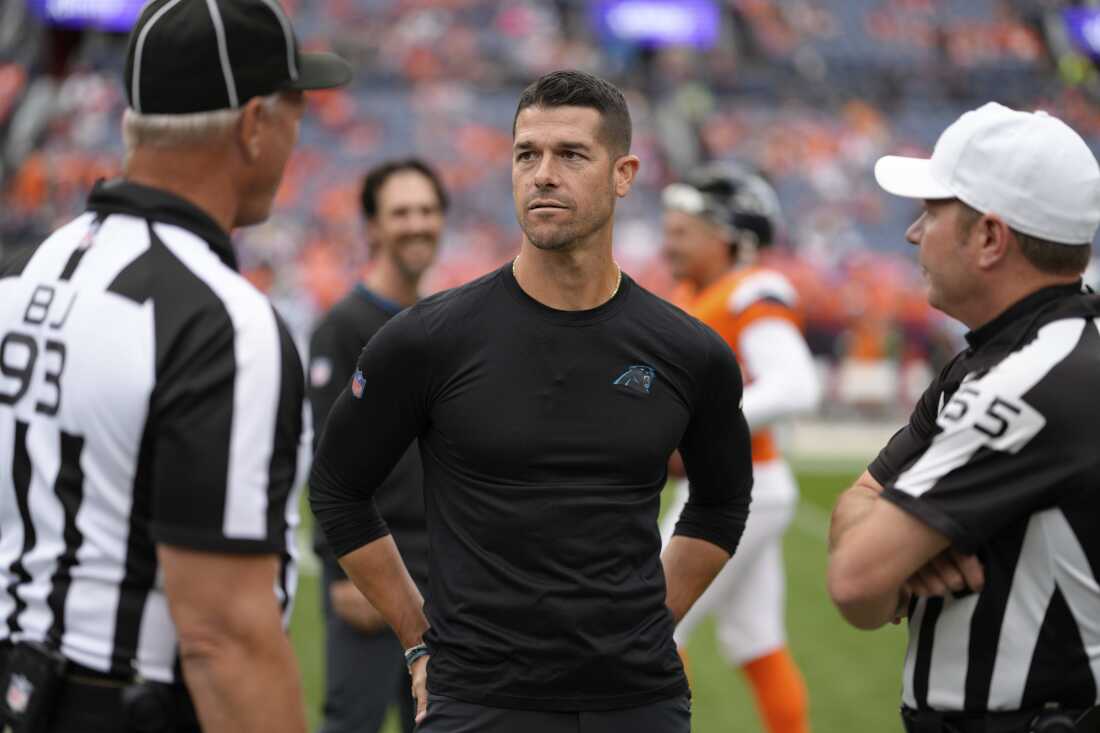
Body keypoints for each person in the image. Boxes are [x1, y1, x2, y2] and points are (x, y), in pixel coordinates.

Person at [309, 69, 753, 733]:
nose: (543, 173)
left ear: (624, 173)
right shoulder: (428, 339)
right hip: (478, 703)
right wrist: (417, 637)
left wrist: (653, 624)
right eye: (527, 154)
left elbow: (721, 501)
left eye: (571, 154)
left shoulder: (689, 351)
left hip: (638, 703)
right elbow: (338, 488)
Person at [0, 1, 350, 731]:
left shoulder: (55, 256)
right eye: (294, 109)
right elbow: (225, 637)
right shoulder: (221, 321)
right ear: (254, 125)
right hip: (128, 702)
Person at [827, 102, 1100, 733]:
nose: (913, 233)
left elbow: (854, 582)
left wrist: (886, 550)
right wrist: (890, 542)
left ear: (989, 238)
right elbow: (861, 501)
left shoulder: (1033, 383)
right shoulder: (991, 359)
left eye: (934, 212)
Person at [660, 163, 819, 733]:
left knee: (645, 631)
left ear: (726, 235)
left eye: (683, 231)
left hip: (735, 489)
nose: (668, 241)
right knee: (757, 641)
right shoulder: (693, 294)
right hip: (744, 490)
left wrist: (702, 429)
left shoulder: (753, 288)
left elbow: (796, 383)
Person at [309, 159, 448, 733]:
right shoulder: (342, 328)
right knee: (354, 722)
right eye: (401, 212)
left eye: (427, 211)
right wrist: (340, 574)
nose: (417, 224)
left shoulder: (444, 325)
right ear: (372, 228)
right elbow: (325, 463)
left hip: (442, 579)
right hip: (368, 570)